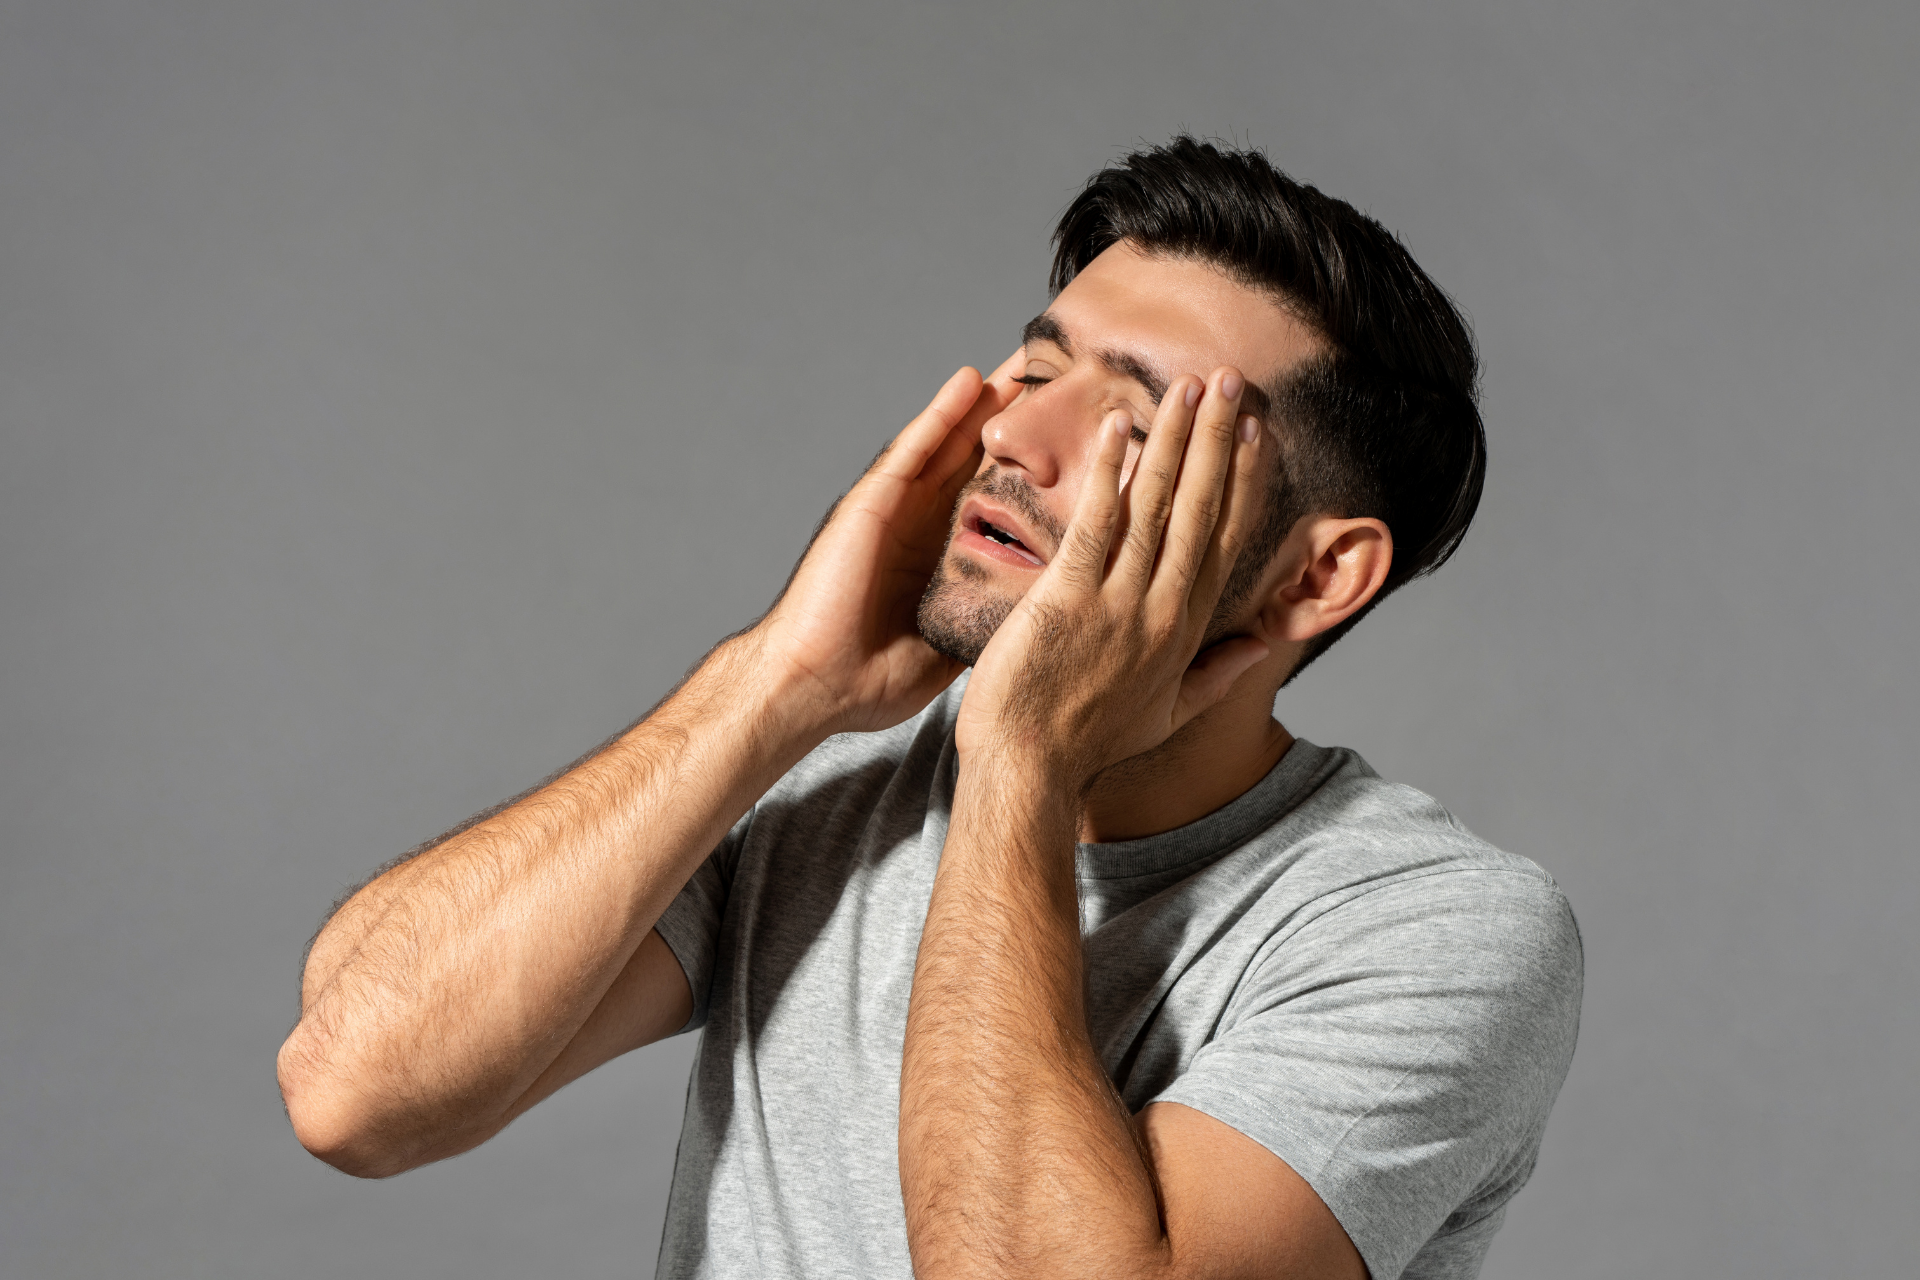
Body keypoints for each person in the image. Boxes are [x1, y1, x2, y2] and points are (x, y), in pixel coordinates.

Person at [278, 137, 1582, 1280]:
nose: (1017, 439)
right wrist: (778, 677)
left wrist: (1023, 756)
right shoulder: (825, 777)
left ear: (1314, 577)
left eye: (1131, 424)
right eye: (1033, 369)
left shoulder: (1435, 930)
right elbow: (355, 1087)